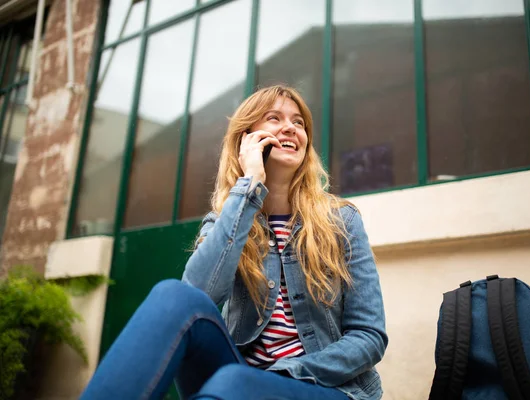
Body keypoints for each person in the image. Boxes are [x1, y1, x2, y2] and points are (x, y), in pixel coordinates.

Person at [80, 85, 387, 400]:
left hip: (329, 389)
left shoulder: (342, 221)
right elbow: (198, 295)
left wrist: (284, 373)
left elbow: (369, 336)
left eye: (298, 123)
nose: (290, 128)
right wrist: (250, 185)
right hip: (237, 378)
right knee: (172, 296)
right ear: (246, 139)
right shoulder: (227, 219)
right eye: (274, 118)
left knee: (234, 384)